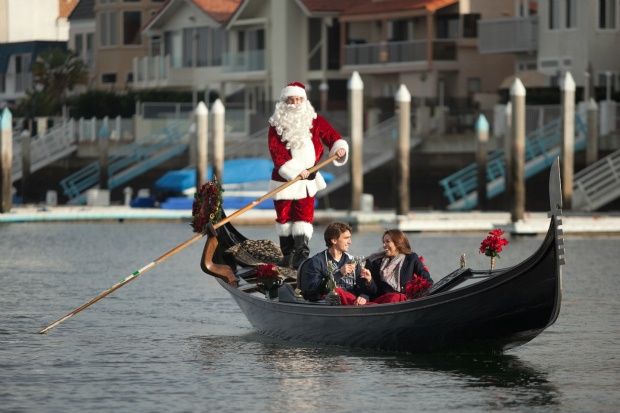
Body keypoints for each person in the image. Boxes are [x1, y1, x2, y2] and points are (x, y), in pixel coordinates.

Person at [268, 81, 349, 269]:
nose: (295, 103)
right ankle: (287, 255)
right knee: (284, 218)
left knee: (304, 217)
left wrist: (339, 149)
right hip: (284, 181)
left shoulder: (316, 120)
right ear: (284, 102)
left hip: (308, 181)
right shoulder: (275, 124)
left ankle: (301, 257)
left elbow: (334, 138)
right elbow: (277, 153)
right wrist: (296, 171)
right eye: (291, 100)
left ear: (304, 101)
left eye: (298, 99)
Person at [298, 222, 371, 305]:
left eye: (350, 238)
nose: (350, 242)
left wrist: (364, 295)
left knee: (389, 297)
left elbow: (363, 290)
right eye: (346, 238)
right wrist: (339, 274)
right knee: (338, 291)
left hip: (353, 305)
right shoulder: (316, 262)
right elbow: (311, 291)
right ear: (334, 240)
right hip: (330, 306)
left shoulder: (352, 261)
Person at [364, 229, 433, 304]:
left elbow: (427, 280)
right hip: (384, 302)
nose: (384, 245)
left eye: (387, 241)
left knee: (396, 297)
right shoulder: (378, 262)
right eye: (383, 242)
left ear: (397, 243)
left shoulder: (411, 258)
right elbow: (376, 292)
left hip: (405, 303)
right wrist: (369, 280)